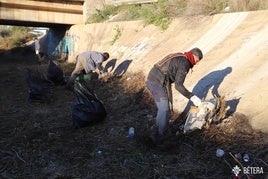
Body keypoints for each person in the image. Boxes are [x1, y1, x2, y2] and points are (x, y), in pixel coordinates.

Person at [146, 47, 203, 144]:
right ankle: (158, 136)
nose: (196, 63)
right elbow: (178, 86)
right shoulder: (185, 63)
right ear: (193, 56)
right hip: (157, 81)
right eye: (197, 61)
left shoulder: (181, 56)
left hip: (155, 78)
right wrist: (192, 97)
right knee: (164, 108)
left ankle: (161, 128)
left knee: (167, 107)